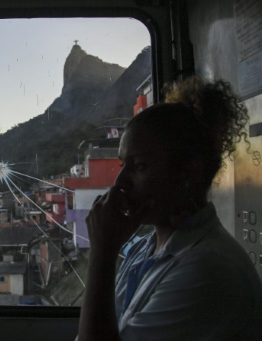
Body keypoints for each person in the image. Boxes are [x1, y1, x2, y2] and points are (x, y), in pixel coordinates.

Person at [77, 77, 262, 340]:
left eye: (139, 166)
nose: (120, 183)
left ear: (188, 173)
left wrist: (102, 252)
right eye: (122, 166)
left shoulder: (208, 270)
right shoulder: (145, 248)